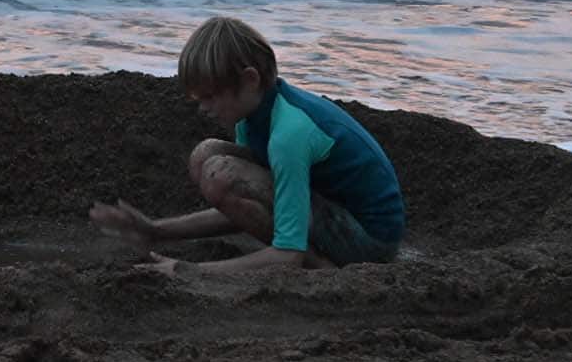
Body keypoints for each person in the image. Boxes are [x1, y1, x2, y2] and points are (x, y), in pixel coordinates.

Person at [89, 16, 404, 275]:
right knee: (207, 155)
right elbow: (249, 204)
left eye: (211, 96)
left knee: (219, 172)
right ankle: (318, 259)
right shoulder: (251, 118)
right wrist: (156, 230)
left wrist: (190, 270)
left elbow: (286, 254)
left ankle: (321, 267)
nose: (203, 108)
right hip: (331, 210)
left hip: (370, 241)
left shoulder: (288, 135)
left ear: (250, 80)